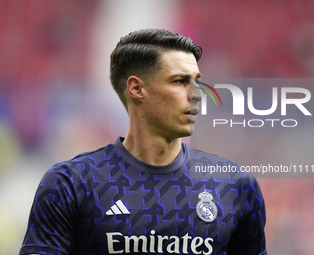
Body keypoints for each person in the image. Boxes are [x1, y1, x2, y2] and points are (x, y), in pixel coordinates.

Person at [19, 29, 267, 255]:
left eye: (197, 82)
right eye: (180, 81)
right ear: (136, 89)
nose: (196, 95)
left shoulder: (235, 187)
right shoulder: (71, 184)